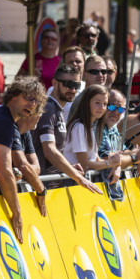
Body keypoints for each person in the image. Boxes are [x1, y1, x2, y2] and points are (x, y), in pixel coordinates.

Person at [0, 77, 48, 242]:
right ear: (14, 95)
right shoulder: (3, 120)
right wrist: (17, 213)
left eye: (37, 101)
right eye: (29, 98)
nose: (33, 105)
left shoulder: (4, 117)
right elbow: (5, 170)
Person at [30, 64, 102, 194]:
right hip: (42, 185)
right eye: (68, 84)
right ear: (55, 83)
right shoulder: (48, 108)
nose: (73, 89)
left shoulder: (58, 110)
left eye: (77, 86)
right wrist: (78, 177)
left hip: (53, 183)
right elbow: (49, 150)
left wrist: (69, 167)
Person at [63, 85, 121, 181]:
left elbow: (96, 160)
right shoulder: (79, 126)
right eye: (97, 103)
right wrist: (110, 163)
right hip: (73, 182)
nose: (102, 107)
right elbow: (85, 164)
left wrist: (116, 164)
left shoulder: (89, 126)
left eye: (105, 104)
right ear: (87, 103)